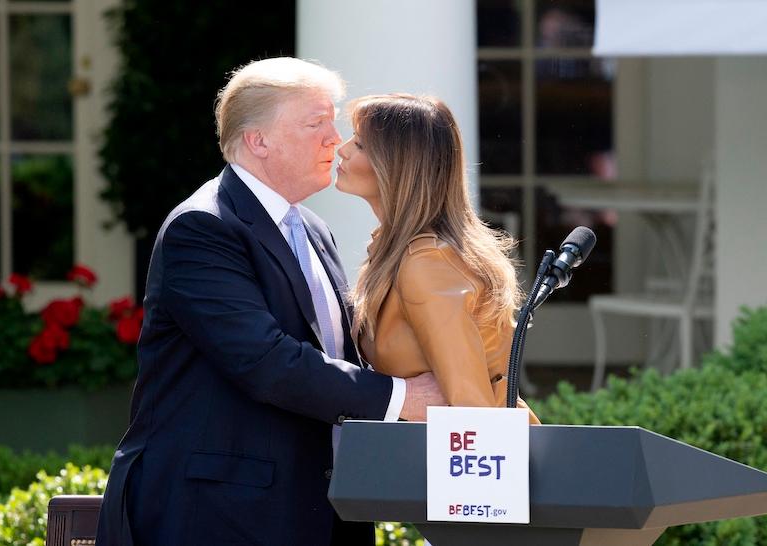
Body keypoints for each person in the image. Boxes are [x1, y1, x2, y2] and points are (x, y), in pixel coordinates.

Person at [95, 59, 446, 546]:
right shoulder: (202, 227)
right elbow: (266, 361)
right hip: (218, 516)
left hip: (313, 510)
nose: (335, 139)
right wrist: (405, 397)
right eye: (314, 123)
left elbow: (334, 357)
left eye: (333, 120)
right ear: (258, 140)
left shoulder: (312, 229)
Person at [336, 93, 540, 421]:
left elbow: (472, 408)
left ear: (398, 165)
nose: (342, 149)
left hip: (462, 460)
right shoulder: (402, 252)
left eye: (359, 144)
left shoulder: (426, 262)